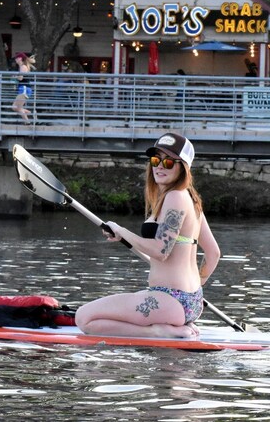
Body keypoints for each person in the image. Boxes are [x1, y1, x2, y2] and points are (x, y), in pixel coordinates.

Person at [75, 133, 221, 339]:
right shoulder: (191, 200)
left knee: (84, 318)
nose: (160, 166)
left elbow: (160, 251)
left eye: (169, 162)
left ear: (183, 167)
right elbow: (213, 253)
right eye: (155, 160)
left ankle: (158, 331)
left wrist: (122, 231)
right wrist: (196, 286)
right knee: (93, 318)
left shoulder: (175, 197)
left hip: (169, 300)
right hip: (191, 302)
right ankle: (171, 326)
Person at [11, 52, 36, 122]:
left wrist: (15, 77)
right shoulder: (22, 66)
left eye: (16, 58)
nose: (15, 59)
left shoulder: (23, 67)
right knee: (16, 107)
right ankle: (32, 115)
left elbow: (21, 78)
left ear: (20, 58)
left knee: (16, 107)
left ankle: (28, 121)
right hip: (23, 88)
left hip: (24, 88)